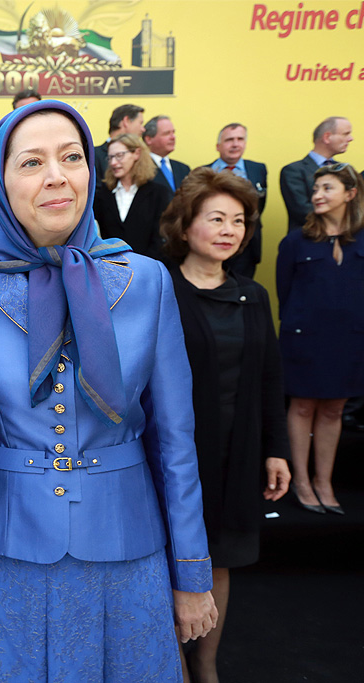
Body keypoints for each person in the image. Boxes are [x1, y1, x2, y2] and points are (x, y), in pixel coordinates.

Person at [0, 101, 216, 682]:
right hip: (1, 553)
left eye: (72, 157)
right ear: (0, 184)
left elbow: (175, 442)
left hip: (127, 549)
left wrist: (191, 570)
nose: (57, 176)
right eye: (32, 162)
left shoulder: (147, 281)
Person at [160, 168, 291, 682]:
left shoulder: (253, 295)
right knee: (169, 561)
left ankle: (207, 664)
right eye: (216, 218)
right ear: (185, 224)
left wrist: (276, 449)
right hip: (174, 456)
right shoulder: (160, 290)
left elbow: (270, 378)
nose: (229, 230)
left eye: (238, 221)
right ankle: (172, 666)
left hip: (236, 452)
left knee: (220, 559)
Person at [276, 162, 364, 515]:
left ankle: (324, 482)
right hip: (305, 339)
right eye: (316, 189)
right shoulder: (295, 241)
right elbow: (285, 293)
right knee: (302, 407)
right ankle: (301, 481)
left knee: (334, 409)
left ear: (350, 194)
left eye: (327, 188)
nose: (317, 195)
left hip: (349, 340)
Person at [93, 133, 171, 260]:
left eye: (119, 156)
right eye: (110, 157)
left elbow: (160, 238)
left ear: (137, 153)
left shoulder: (158, 193)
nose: (113, 163)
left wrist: (143, 265)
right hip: (112, 266)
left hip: (148, 265)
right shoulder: (102, 195)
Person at [206, 124, 268, 278]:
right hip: (214, 242)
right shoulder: (204, 172)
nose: (235, 144)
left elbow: (259, 205)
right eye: (229, 140)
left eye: (240, 139)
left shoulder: (258, 169)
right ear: (218, 146)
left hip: (248, 246)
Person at [280, 117, 353, 233]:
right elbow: (302, 211)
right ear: (327, 137)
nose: (350, 139)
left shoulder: (346, 170)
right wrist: (339, 221)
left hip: (346, 238)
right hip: (309, 237)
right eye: (345, 134)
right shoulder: (294, 171)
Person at [94, 104, 145, 181]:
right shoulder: (93, 155)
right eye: (140, 123)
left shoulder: (143, 155)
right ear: (126, 121)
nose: (143, 129)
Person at [144, 115, 190, 195]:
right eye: (166, 133)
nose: (173, 137)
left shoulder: (183, 169)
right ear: (149, 139)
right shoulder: (140, 168)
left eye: (173, 132)